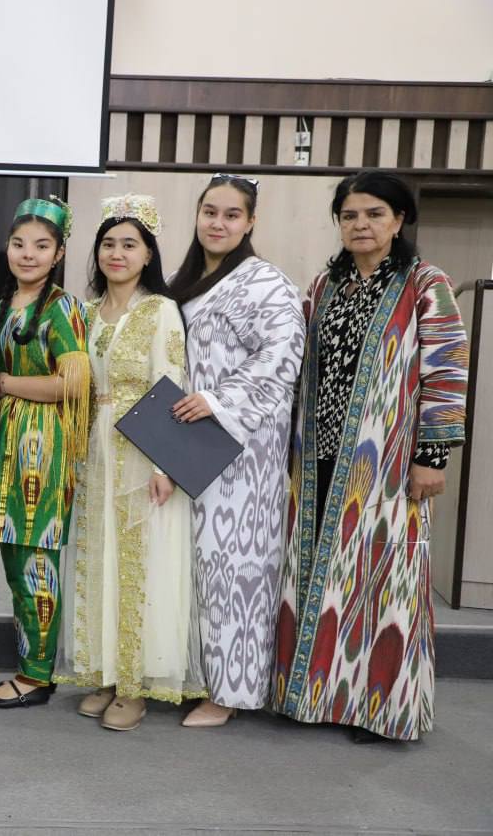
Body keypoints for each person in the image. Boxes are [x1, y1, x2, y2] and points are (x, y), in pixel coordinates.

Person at [272, 171, 468, 743]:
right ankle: (313, 697)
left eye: (375, 214)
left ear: (399, 220)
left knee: (386, 576)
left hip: (389, 460)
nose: (361, 225)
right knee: (317, 572)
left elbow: (447, 371)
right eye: (350, 215)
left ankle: (380, 709)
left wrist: (432, 456)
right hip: (317, 458)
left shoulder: (425, 283)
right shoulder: (323, 286)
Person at [54, 194, 204, 730]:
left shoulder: (159, 310)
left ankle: (135, 684)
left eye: (129, 245)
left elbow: (171, 385)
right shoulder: (86, 312)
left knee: (141, 562)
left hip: (143, 448)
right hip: (93, 448)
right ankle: (107, 672)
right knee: (99, 557)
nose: (116, 254)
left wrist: (165, 467)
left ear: (148, 255)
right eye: (108, 244)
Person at [166, 175, 305, 727]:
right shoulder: (181, 282)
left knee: (235, 570)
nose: (217, 223)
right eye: (209, 211)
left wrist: (218, 400)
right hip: (183, 440)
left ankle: (230, 692)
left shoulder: (266, 282)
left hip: (242, 453)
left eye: (231, 214)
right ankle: (192, 675)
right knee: (191, 567)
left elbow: (283, 356)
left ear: (250, 222)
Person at [0, 197, 89, 708]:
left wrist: (5, 383)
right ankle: (29, 667)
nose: (28, 254)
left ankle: (36, 677)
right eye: (19, 244)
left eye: (41, 246)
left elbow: (73, 384)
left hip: (44, 446)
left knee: (37, 563)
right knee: (17, 563)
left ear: (58, 254)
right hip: (9, 446)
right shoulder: (3, 305)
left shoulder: (62, 306)